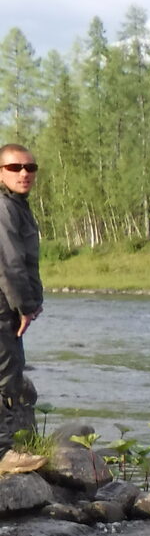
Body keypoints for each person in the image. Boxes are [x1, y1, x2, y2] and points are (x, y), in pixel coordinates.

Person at [0, 143, 43, 448]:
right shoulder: (4, 208)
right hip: (4, 309)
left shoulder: (18, 206)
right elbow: (10, 263)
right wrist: (25, 305)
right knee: (5, 381)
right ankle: (4, 454)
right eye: (15, 168)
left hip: (9, 308)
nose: (24, 173)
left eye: (30, 167)